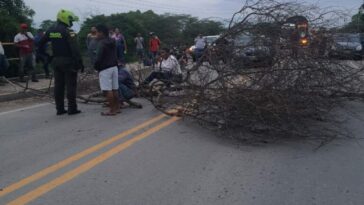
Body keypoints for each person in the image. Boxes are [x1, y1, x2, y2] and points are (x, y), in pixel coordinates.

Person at [39, 9, 83, 115]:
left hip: (56, 62)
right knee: (70, 85)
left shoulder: (50, 30)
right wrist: (79, 62)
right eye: (70, 20)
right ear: (65, 19)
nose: (71, 22)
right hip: (68, 62)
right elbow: (75, 49)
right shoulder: (68, 31)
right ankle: (72, 109)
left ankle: (60, 109)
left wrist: (47, 56)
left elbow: (40, 44)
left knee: (58, 86)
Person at [94, 24, 121, 116]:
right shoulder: (113, 41)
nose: (96, 34)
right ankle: (117, 108)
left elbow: (98, 58)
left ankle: (112, 110)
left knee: (107, 90)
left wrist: (96, 67)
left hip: (105, 68)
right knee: (115, 89)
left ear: (101, 33)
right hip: (114, 67)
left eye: (97, 32)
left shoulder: (101, 43)